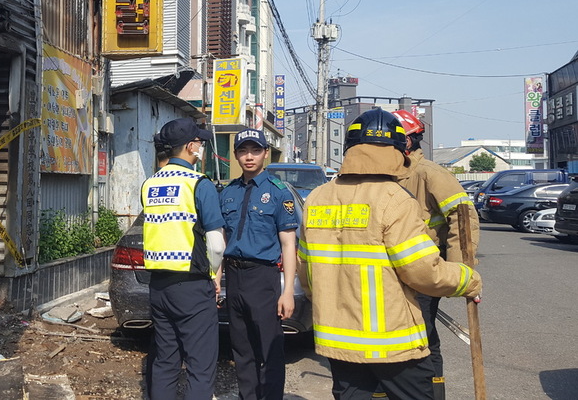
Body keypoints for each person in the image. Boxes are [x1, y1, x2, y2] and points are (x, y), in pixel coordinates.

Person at [297, 110, 482, 400]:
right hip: (394, 344)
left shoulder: (317, 198)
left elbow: (307, 274)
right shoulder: (395, 199)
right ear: (398, 150)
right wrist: (466, 279)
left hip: (338, 340)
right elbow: (423, 272)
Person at [391, 109, 480, 400]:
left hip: (424, 268)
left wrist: (460, 274)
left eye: (399, 137)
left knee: (422, 337)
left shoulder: (430, 173)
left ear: (412, 140)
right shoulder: (388, 174)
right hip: (392, 271)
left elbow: (463, 219)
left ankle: (431, 393)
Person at [142, 118, 226, 400]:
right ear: (191, 147)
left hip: (158, 286)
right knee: (200, 366)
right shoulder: (198, 184)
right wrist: (215, 276)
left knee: (165, 361)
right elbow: (215, 243)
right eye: (199, 143)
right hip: (192, 286)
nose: (201, 148)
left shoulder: (150, 184)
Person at [219, 128, 299, 400]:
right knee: (241, 349)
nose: (249, 157)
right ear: (236, 156)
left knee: (269, 349)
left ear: (266, 153)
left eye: (255, 151)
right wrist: (217, 278)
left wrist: (287, 291)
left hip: (263, 278)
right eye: (243, 151)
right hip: (234, 276)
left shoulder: (278, 192)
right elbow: (220, 240)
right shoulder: (228, 192)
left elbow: (289, 244)